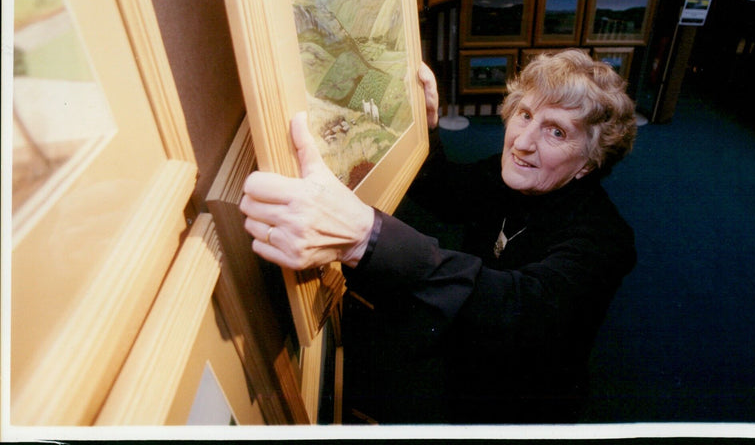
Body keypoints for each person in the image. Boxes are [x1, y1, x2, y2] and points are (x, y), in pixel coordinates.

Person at [240, 49, 638, 424]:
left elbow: (517, 308)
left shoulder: (606, 239)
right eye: (524, 113)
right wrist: (421, 128)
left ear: (589, 161)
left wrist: (366, 237)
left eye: (555, 132)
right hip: (466, 365)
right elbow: (448, 192)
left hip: (523, 404)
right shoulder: (516, 179)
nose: (522, 141)